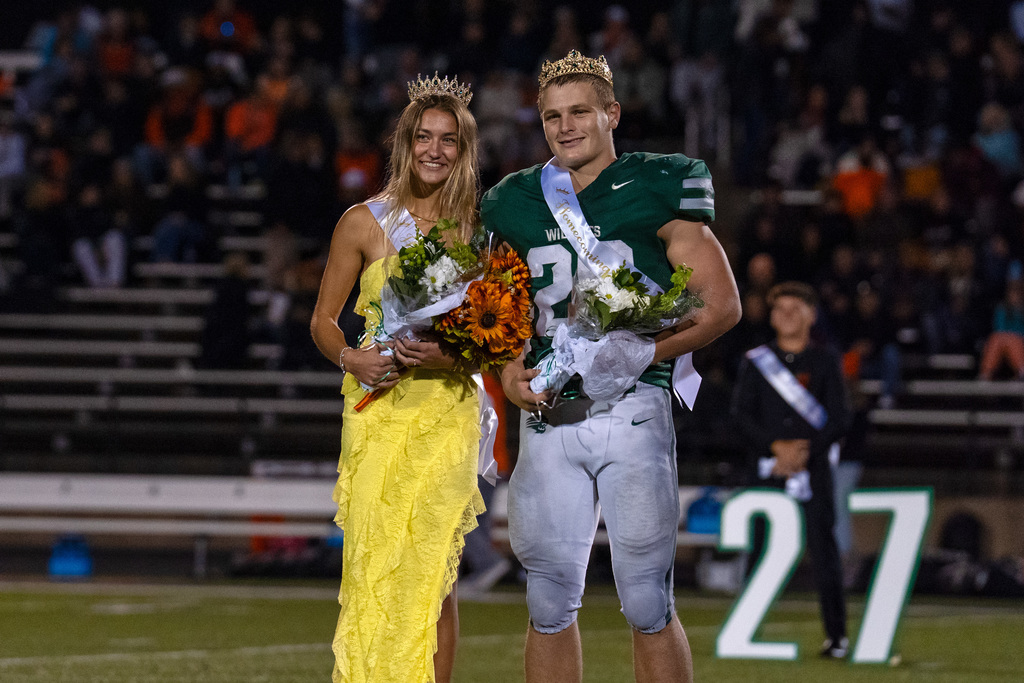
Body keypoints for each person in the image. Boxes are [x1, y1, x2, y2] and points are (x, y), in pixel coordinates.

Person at [481, 50, 741, 683]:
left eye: (579, 112)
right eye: (552, 116)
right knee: (547, 602)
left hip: (633, 407)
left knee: (648, 600)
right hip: (549, 414)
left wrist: (648, 352)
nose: (565, 127)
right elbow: (500, 300)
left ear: (612, 114)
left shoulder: (658, 182)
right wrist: (510, 370)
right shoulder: (514, 198)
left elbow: (721, 305)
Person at [310, 74, 485, 683]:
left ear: (464, 150)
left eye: (449, 140)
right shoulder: (363, 222)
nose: (435, 150)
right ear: (405, 144)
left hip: (447, 414)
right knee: (373, 563)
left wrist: (447, 358)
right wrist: (351, 359)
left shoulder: (477, 230)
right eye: (423, 137)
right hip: (377, 410)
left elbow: (492, 338)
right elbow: (322, 321)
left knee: (435, 574)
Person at [730, 281, 852, 659]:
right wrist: (775, 446)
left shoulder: (826, 361)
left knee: (824, 553)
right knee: (758, 550)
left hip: (812, 471)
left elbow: (840, 418)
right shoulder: (756, 361)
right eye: (779, 309)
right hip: (767, 470)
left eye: (794, 309)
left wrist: (803, 451)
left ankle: (837, 636)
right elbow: (740, 416)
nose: (785, 315)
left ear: (811, 315)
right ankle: (745, 633)